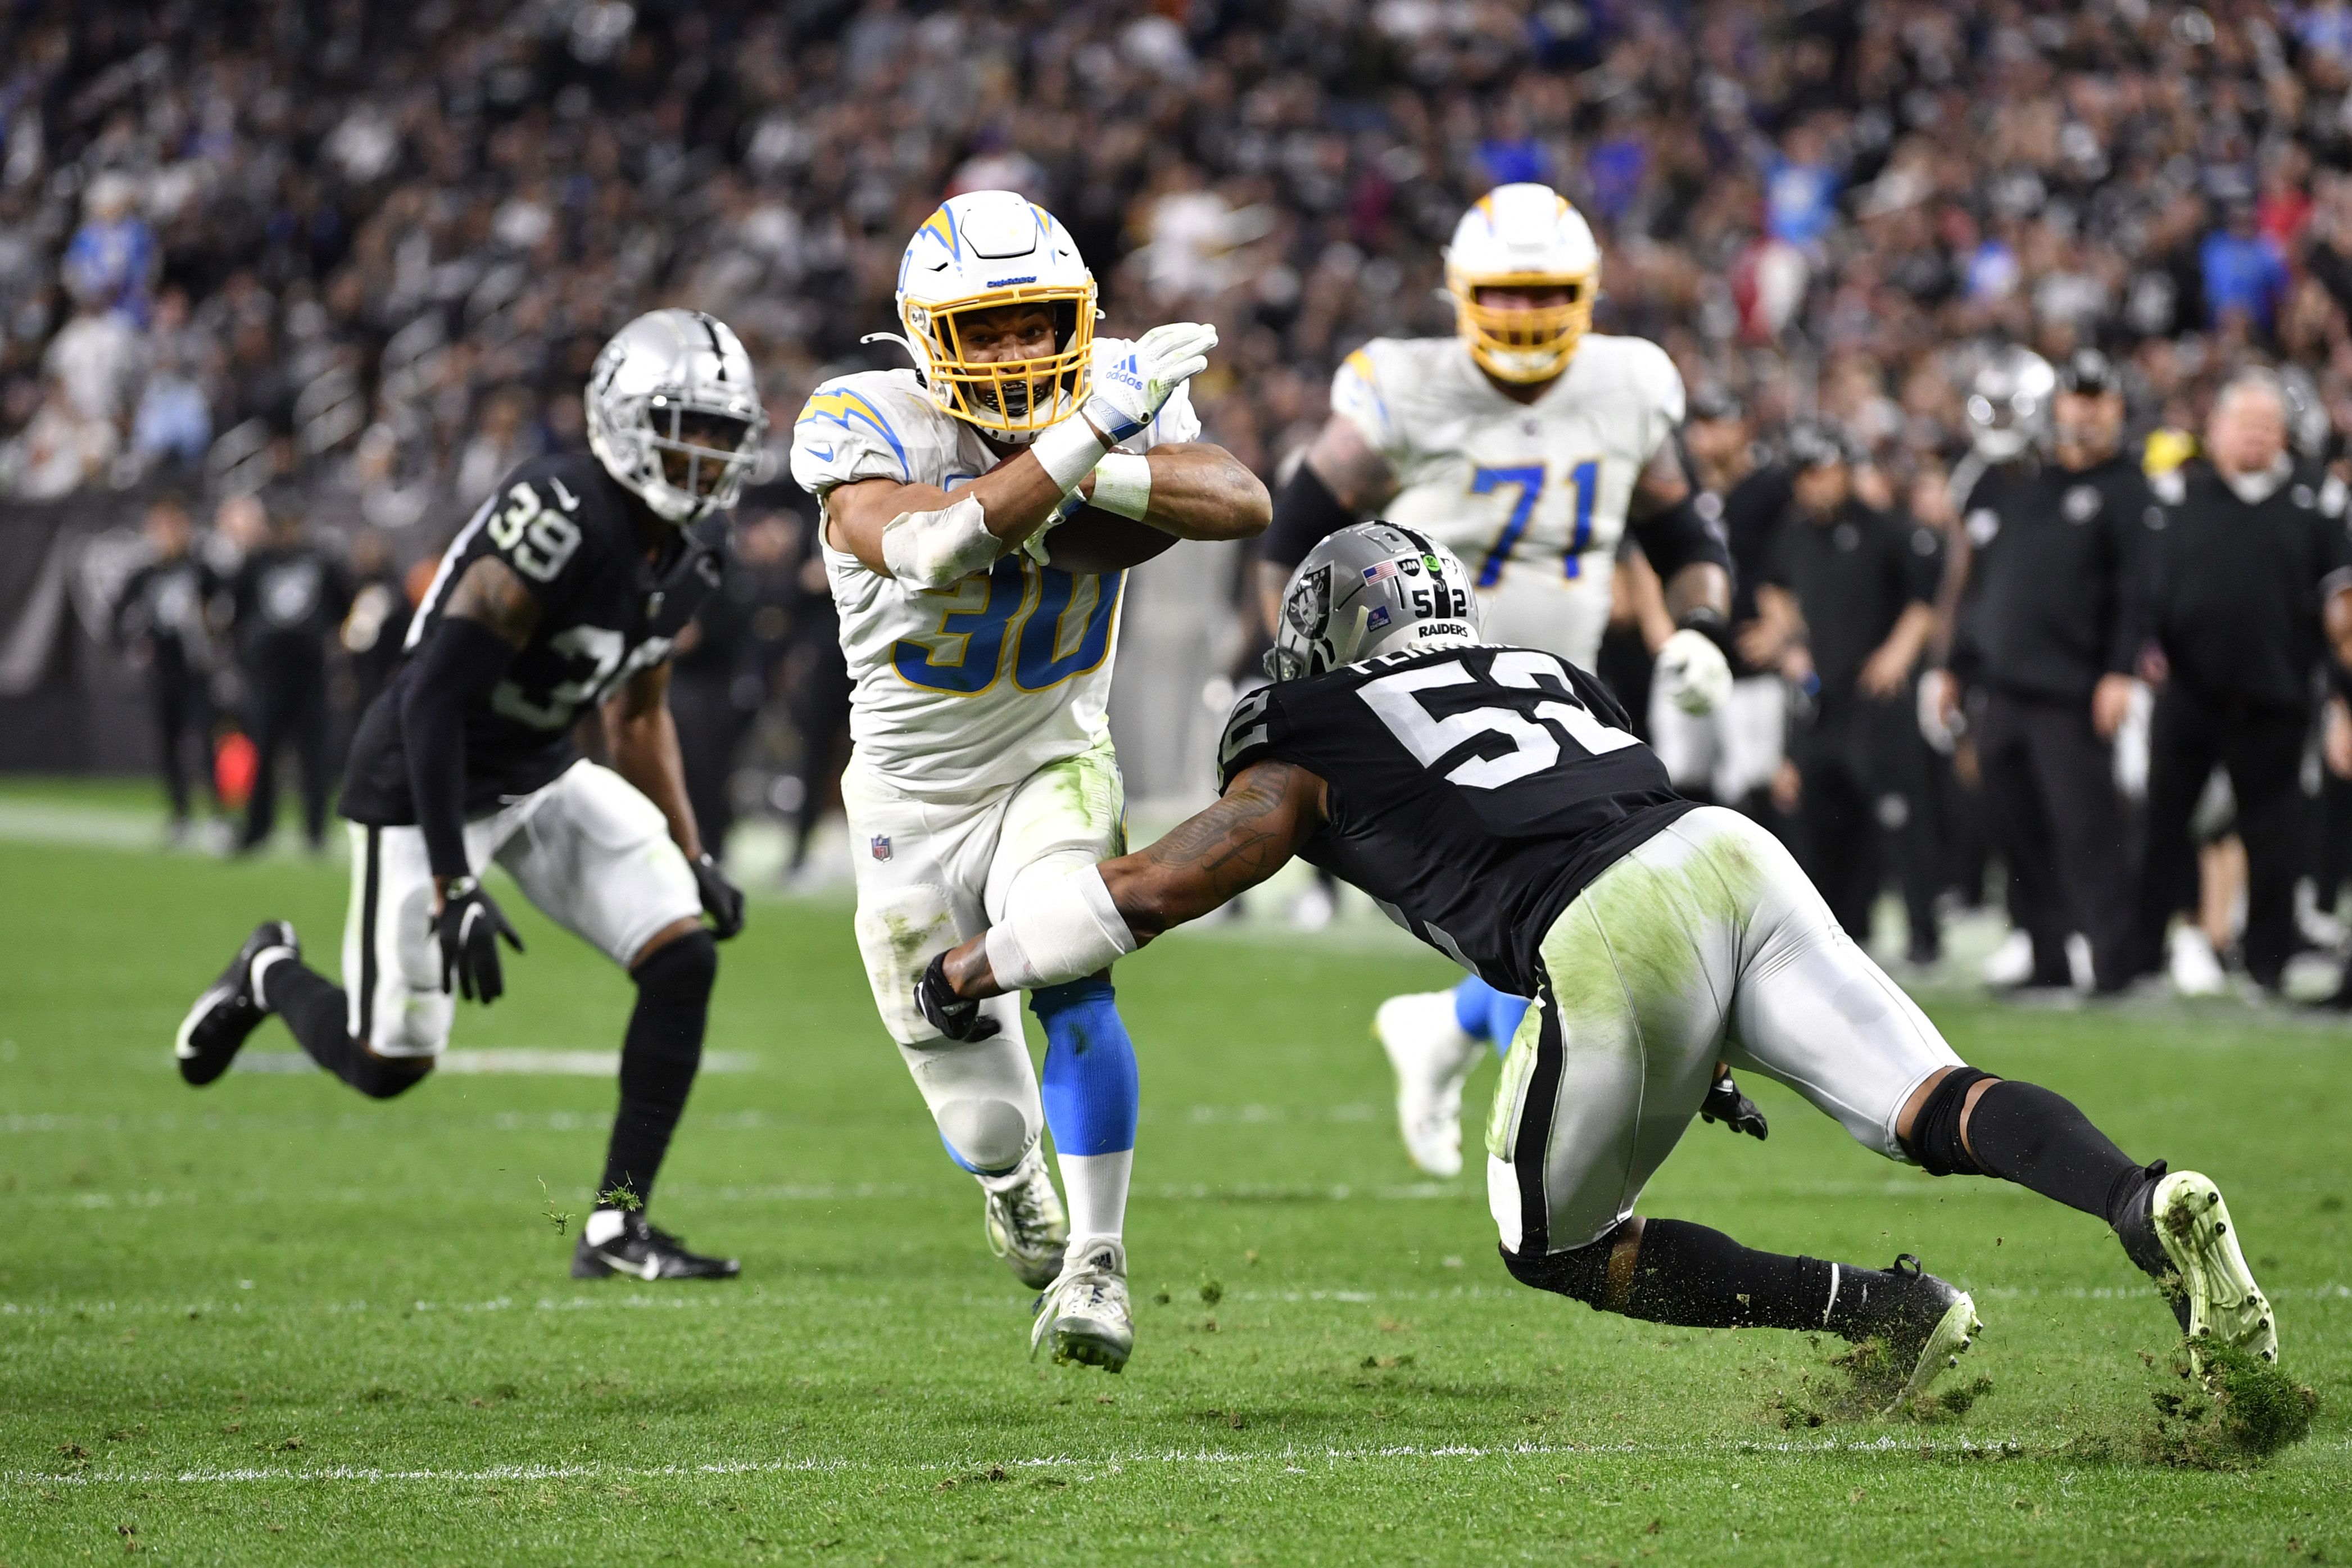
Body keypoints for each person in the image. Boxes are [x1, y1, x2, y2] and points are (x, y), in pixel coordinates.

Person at [917, 523, 2281, 1403]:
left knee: (1550, 1243)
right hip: (1723, 851)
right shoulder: (1549, 673)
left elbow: (1162, 883)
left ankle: (1890, 1310)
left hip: (1608, 920)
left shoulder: (1309, 723)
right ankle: (2134, 1192)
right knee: (1932, 1096)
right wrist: (1693, 1042)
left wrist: (976, 966)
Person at [173, 310, 763, 1281]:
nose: (704, 453)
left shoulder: (693, 553)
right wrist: (453, 883)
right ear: (620, 417)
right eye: (683, 425)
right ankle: (269, 972)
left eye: (721, 432)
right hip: (423, 778)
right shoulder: (558, 515)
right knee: (388, 1067)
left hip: (537, 770)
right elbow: (434, 700)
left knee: (682, 957)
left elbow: (638, 717)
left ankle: (617, 1227)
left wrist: (694, 856)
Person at [789, 189, 1269, 1372]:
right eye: (984, 331)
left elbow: (1241, 499)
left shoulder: (1108, 386)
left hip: (1051, 758)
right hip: (908, 798)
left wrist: (1088, 452)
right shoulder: (861, 417)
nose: (1014, 352)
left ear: (1082, 316)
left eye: (1035, 323)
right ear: (924, 337)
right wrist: (1089, 435)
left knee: (1074, 964)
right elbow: (932, 545)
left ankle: (1099, 1270)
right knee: (987, 1122)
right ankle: (1010, 1186)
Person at [1250, 183, 1736, 1180]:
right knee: (1561, 928)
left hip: (1562, 703)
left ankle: (1449, 1034)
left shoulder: (1630, 383)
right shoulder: (1404, 385)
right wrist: (1300, 682)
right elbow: (1290, 542)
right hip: (1417, 707)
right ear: (1460, 293)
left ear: (1588, 291)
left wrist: (1700, 628)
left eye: (1545, 292)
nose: (1522, 314)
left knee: (1570, 925)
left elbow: (1684, 531)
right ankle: (1542, 1169)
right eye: (1503, 294)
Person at [2123, 368, 2352, 993]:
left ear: (2286, 433)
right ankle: (2143, 956)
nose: (2255, 436)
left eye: (2267, 425)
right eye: (2244, 423)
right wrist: (2142, 650)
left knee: (2274, 837)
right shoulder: (2178, 495)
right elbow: (2143, 591)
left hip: (2277, 694)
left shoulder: (2318, 497)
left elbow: (2341, 607)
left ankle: (2267, 963)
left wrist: (2338, 691)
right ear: (2216, 429)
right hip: (2189, 693)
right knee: (2164, 826)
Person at [1924, 348, 2145, 993]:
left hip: (2071, 691)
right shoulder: (2009, 487)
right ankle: (2045, 956)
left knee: (2086, 831)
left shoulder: (2116, 487)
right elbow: (1982, 592)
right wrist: (1952, 669)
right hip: (2002, 689)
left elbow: (2134, 592)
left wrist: (2119, 671)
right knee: (2016, 830)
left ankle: (2113, 963)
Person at [1748, 425, 1945, 964]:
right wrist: (1789, 639)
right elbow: (1771, 586)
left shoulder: (1882, 527)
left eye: (1826, 472)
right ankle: (1841, 937)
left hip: (1875, 698)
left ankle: (1925, 935)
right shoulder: (1793, 533)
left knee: (1900, 817)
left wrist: (1898, 654)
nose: (1819, 485)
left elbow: (1924, 595)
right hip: (1821, 698)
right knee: (1824, 820)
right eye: (1808, 476)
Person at [228, 496, 354, 854]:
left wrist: (333, 643)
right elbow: (236, 609)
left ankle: (315, 831)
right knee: (264, 751)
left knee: (314, 755)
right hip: (268, 674)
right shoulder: (257, 562)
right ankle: (257, 829)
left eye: (292, 522)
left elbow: (346, 604)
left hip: (310, 672)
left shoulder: (322, 560)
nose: (286, 531)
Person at [110, 494, 220, 842]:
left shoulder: (200, 569)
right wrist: (134, 644)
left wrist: (211, 626)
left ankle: (215, 816)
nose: (169, 533)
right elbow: (118, 617)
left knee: (204, 741)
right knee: (168, 743)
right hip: (164, 668)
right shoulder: (145, 574)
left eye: (174, 525)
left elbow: (226, 608)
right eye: (162, 526)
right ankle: (180, 815)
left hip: (196, 667)